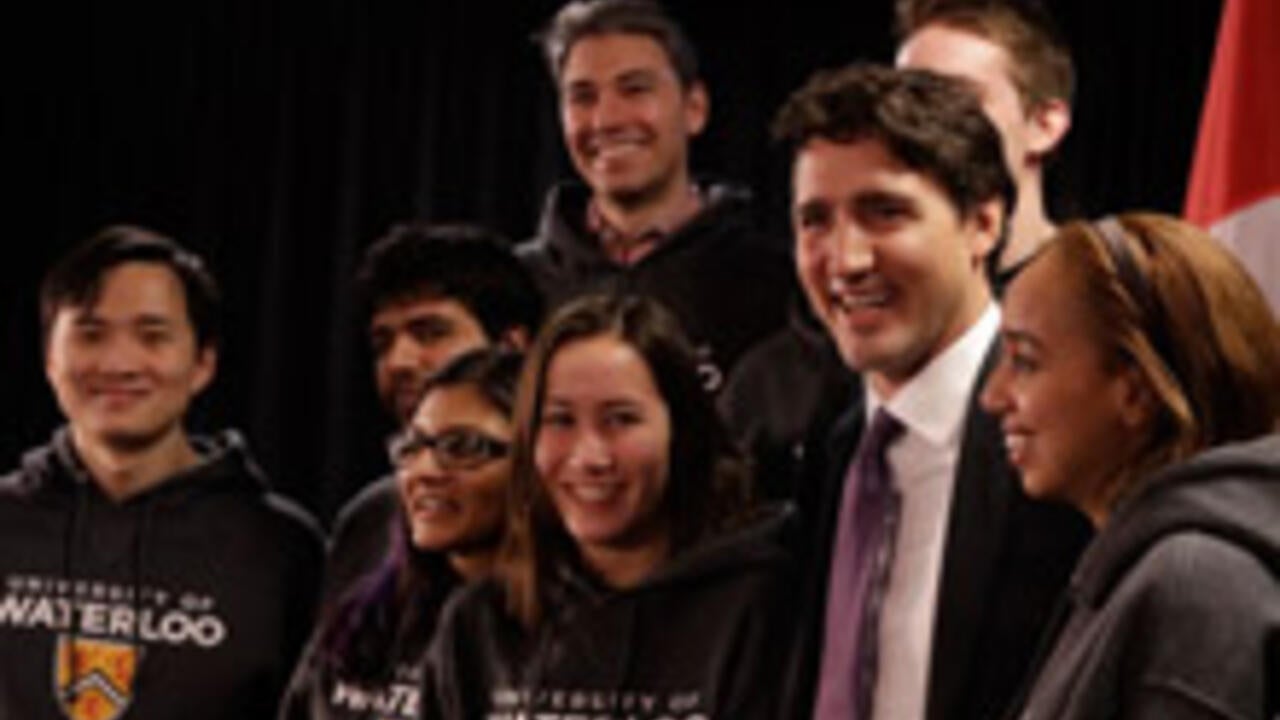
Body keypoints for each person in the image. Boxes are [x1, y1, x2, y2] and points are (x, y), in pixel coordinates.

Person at [774, 65, 1092, 720]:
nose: (846, 259)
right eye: (815, 221)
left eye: (883, 213)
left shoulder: (1074, 435)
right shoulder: (826, 447)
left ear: (982, 224)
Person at [0, 225, 324, 719]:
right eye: (90, 333)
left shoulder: (285, 549)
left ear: (202, 364)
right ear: (49, 359)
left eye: (152, 336)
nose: (119, 362)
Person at [422, 294, 793, 720]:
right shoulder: (479, 622)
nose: (590, 457)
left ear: (682, 430)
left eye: (621, 419)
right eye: (560, 420)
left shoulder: (762, 604)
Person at [980, 213, 1280, 719]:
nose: (992, 397)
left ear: (1136, 392)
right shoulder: (1151, 567)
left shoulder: (1194, 585)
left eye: (1025, 361)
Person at [517, 0, 793, 394]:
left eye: (634, 89)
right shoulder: (517, 286)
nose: (606, 120)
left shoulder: (776, 283)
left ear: (694, 109)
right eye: (582, 96)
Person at [280, 349, 523, 720]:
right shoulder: (365, 617)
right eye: (413, 446)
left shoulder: (570, 635)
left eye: (462, 447)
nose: (423, 471)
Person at [323, 222, 542, 607]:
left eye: (430, 333)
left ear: (511, 346)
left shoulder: (580, 514)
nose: (399, 361)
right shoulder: (368, 521)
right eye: (383, 342)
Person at [896, 0, 1073, 286]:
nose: (920, 125)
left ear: (1044, 126)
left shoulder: (1101, 299)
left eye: (958, 99)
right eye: (906, 101)